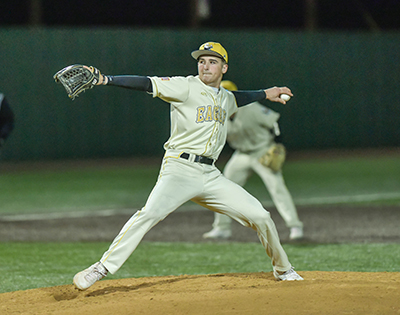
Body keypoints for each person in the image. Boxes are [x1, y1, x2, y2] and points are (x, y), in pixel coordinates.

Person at [72, 41, 303, 290]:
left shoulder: (225, 97)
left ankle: (283, 269)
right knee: (149, 214)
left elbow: (240, 97)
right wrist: (105, 79)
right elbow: (146, 83)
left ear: (224, 68)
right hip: (179, 170)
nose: (205, 66)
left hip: (211, 175)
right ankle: (101, 267)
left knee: (261, 216)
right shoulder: (185, 86)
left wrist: (269, 92)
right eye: (201, 61)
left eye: (212, 61)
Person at [203, 80, 303, 241]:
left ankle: (295, 226)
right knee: (222, 188)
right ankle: (222, 228)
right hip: (241, 154)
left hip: (262, 151)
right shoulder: (217, 115)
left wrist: (278, 145)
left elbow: (273, 122)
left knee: (277, 187)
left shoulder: (251, 108)